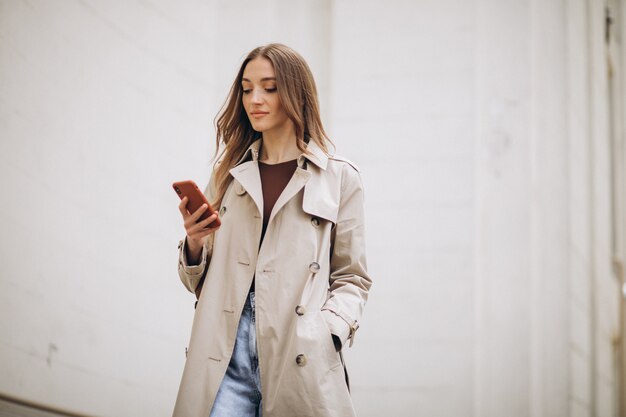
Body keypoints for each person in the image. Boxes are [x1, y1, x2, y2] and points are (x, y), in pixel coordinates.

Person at [173, 43, 372, 417]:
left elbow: (353, 277)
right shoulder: (228, 176)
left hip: (298, 355)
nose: (255, 99)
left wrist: (326, 332)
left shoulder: (340, 178)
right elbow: (193, 281)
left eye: (269, 87)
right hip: (224, 353)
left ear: (296, 92)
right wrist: (195, 242)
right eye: (247, 89)